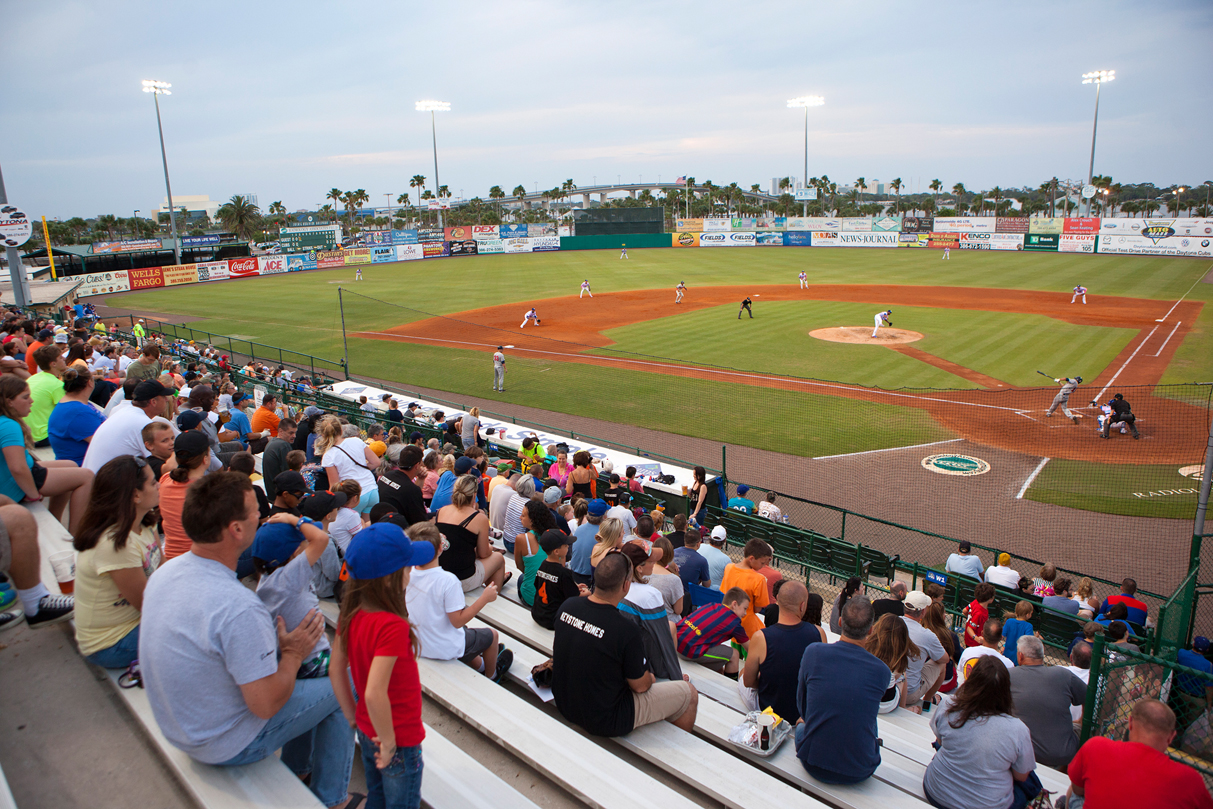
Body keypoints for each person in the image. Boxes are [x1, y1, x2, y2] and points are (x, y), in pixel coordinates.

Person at [138, 472, 357, 808]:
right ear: (236, 530)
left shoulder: (167, 571)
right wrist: (293, 655)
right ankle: (333, 799)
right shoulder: (238, 607)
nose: (263, 516)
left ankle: (301, 770)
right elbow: (266, 704)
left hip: (182, 726)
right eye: (256, 511)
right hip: (223, 743)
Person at [330, 522, 434, 809]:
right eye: (407, 567)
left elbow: (335, 669)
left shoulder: (349, 613)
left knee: (376, 795)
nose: (411, 571)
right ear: (389, 579)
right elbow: (376, 692)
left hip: (366, 725)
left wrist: (353, 717)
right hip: (397, 737)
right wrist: (389, 744)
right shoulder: (392, 626)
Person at [551, 552, 698, 737]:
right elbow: (640, 687)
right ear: (626, 585)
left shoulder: (568, 606)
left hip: (565, 703)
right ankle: (677, 752)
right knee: (689, 693)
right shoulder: (625, 629)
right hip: (607, 719)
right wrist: (650, 678)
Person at [71, 455, 162, 668]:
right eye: (152, 482)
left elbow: (162, 570)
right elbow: (147, 604)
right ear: (135, 495)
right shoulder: (115, 544)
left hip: (133, 623)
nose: (158, 484)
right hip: (111, 643)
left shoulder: (144, 522)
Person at [922, 655, 1039, 809]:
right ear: (1006, 690)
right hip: (984, 804)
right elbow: (1021, 776)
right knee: (1027, 783)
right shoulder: (1018, 729)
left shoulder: (949, 704)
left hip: (936, 792)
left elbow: (940, 742)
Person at [796, 596, 889, 784]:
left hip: (813, 760)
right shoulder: (881, 671)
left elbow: (802, 707)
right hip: (859, 768)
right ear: (871, 630)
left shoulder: (814, 652)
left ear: (840, 622)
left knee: (801, 724)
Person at [404, 521, 511, 682]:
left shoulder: (407, 574)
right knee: (492, 635)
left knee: (466, 632)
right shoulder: (447, 580)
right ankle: (493, 675)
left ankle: (480, 664)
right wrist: (484, 598)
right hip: (441, 647)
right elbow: (457, 621)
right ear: (441, 548)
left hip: (418, 642)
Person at [1067, 698, 1213, 809]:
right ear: (1171, 737)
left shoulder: (1096, 746)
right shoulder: (1190, 780)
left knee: (1074, 790)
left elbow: (1078, 789)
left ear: (1130, 723)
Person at [0, 376, 94, 534]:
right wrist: (33, 494)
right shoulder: (9, 425)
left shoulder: (5, 421)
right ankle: (76, 535)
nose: (31, 401)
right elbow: (17, 468)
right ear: (9, 402)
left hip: (16, 474)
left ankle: (56, 519)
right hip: (13, 485)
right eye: (25, 397)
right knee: (87, 477)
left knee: (70, 464)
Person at [250, 515, 335, 681]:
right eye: (305, 542)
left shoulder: (267, 577)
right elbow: (321, 538)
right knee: (358, 664)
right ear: (296, 553)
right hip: (311, 662)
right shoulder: (289, 576)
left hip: (299, 655)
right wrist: (292, 519)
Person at [742, 581, 819, 722]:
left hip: (770, 712)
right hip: (803, 713)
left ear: (777, 601)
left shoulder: (761, 637)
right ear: (803, 605)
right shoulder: (819, 633)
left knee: (742, 675)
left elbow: (748, 681)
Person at [1008, 635, 1085, 768]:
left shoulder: (1007, 675)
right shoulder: (1063, 674)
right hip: (1063, 753)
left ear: (1020, 656)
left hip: (1024, 753)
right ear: (1042, 656)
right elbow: (1090, 697)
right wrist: (1082, 720)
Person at [619, 542, 683, 680]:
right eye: (650, 560)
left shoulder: (614, 585)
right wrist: (677, 679)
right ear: (639, 568)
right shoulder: (650, 594)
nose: (655, 562)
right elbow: (662, 640)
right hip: (644, 670)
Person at [83, 379, 176, 473]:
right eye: (163, 396)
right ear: (153, 402)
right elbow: (162, 465)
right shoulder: (142, 422)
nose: (167, 399)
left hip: (98, 476)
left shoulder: (125, 411)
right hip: (105, 482)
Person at [437, 474, 507, 592]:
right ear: (474, 495)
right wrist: (490, 547)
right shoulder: (479, 518)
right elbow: (484, 554)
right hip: (461, 579)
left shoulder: (442, 510)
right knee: (499, 558)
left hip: (440, 574)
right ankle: (492, 596)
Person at [158, 431, 213, 562]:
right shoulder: (210, 491)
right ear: (205, 458)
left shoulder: (165, 480)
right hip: (201, 560)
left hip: (171, 557)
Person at [675, 587, 750, 674]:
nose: (745, 613)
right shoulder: (734, 622)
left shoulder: (712, 605)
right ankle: (730, 684)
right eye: (745, 608)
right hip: (688, 650)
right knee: (734, 654)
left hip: (675, 641)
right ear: (734, 604)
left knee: (719, 658)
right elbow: (750, 649)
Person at [317, 418, 381, 515]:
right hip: (372, 489)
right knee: (368, 525)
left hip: (353, 495)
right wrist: (359, 469)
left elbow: (334, 485)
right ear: (341, 430)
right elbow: (376, 462)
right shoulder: (356, 441)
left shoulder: (329, 455)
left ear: (322, 435)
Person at [47, 367, 104, 467]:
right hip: (84, 467)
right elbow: (103, 444)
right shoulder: (78, 412)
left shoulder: (73, 404)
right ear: (89, 383)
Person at [531, 529, 588, 630]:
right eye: (566, 545)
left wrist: (573, 587)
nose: (568, 547)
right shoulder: (564, 573)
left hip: (537, 613)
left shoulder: (543, 565)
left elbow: (541, 585)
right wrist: (587, 593)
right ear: (556, 551)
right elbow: (575, 596)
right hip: (553, 619)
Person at [866, 614, 920, 713]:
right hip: (887, 704)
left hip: (866, 700)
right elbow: (896, 676)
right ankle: (903, 708)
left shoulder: (868, 647)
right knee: (902, 676)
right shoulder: (898, 657)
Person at [902, 590, 948, 707]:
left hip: (888, 685)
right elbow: (944, 659)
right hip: (908, 693)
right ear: (923, 612)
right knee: (941, 665)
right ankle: (927, 701)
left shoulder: (891, 622)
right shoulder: (927, 635)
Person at [719, 538, 772, 638]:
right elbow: (757, 609)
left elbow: (724, 593)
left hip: (728, 622)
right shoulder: (759, 579)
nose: (764, 566)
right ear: (751, 558)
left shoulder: (729, 568)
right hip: (747, 628)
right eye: (762, 563)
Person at [26, 344, 66, 447]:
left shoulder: (32, 378)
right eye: (61, 358)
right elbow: (67, 414)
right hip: (42, 437)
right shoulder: (57, 385)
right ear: (53, 364)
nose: (64, 359)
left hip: (25, 434)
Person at [378, 445, 428, 526]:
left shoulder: (387, 475)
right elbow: (420, 522)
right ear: (417, 465)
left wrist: (421, 479)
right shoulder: (411, 489)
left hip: (382, 520)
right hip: (399, 527)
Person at [959, 617, 1013, 685]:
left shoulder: (967, 652)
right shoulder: (1008, 664)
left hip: (966, 693)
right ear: (1001, 637)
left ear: (982, 633)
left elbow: (960, 675)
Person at [568, 497, 606, 585]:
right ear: (604, 516)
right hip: (590, 577)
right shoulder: (602, 534)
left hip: (575, 573)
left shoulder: (580, 528)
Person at [648, 536, 684, 619]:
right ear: (671, 555)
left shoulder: (643, 572)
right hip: (666, 622)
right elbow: (678, 610)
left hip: (647, 618)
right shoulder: (674, 580)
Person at [261, 418, 297, 502]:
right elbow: (289, 474)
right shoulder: (283, 446)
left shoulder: (273, 442)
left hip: (272, 493)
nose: (294, 436)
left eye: (295, 432)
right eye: (291, 433)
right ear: (280, 431)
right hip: (280, 497)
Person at [1001, 601, 1037, 665]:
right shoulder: (1028, 626)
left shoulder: (1009, 621)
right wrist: (1036, 637)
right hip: (1020, 657)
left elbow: (1002, 635)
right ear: (1028, 615)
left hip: (1007, 655)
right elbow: (1029, 641)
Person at [698, 525, 731, 589]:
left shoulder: (700, 547)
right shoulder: (727, 560)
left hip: (697, 591)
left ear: (710, 537)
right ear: (725, 540)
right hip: (714, 595)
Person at [964, 582, 996, 647]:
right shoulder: (979, 614)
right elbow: (969, 628)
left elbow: (964, 611)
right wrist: (976, 638)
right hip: (974, 644)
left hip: (969, 639)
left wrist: (970, 618)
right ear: (990, 599)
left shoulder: (976, 601)